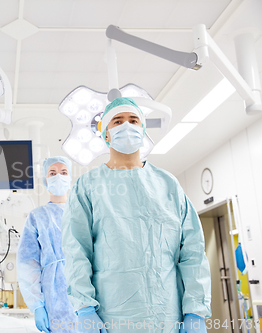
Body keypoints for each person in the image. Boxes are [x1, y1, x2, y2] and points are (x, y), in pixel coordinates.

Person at [61, 97, 211, 333]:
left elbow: (192, 251)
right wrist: (85, 308)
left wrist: (195, 311)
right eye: (117, 121)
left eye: (133, 120)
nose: (127, 126)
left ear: (142, 130)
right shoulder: (88, 187)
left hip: (167, 316)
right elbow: (76, 251)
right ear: (106, 134)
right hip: (113, 317)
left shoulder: (168, 185)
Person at [17, 156, 79, 333]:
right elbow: (28, 264)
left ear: (70, 178)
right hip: (55, 295)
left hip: (85, 294)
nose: (58, 176)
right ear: (45, 180)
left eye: (64, 172)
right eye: (52, 173)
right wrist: (37, 305)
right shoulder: (38, 216)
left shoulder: (82, 212)